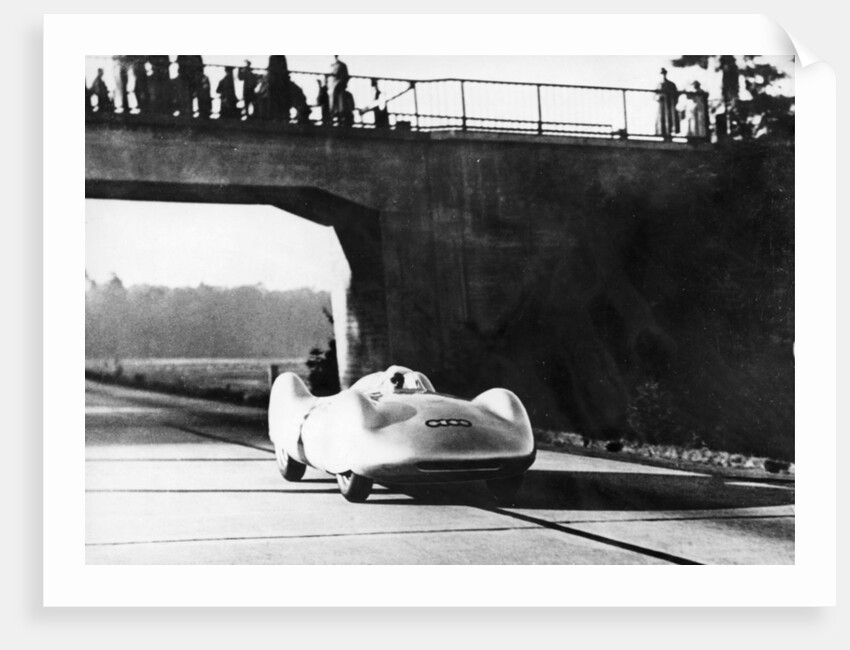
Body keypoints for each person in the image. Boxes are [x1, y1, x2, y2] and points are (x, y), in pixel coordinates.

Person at [655, 67, 680, 141]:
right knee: (662, 119)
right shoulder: (659, 85)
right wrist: (659, 97)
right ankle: (663, 136)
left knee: (670, 119)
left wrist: (673, 100)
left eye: (664, 74)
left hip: (669, 105)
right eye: (662, 74)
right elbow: (655, 95)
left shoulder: (671, 84)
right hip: (662, 106)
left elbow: (676, 95)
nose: (663, 75)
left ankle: (669, 135)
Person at [327, 55, 350, 125]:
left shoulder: (342, 65)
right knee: (332, 105)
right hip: (331, 89)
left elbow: (346, 77)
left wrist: (340, 83)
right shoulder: (331, 66)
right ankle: (334, 117)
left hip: (339, 89)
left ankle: (339, 118)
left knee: (340, 106)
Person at [267, 55, 290, 121]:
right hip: (280, 84)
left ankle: (275, 117)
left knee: (275, 102)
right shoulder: (280, 57)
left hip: (276, 84)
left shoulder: (274, 58)